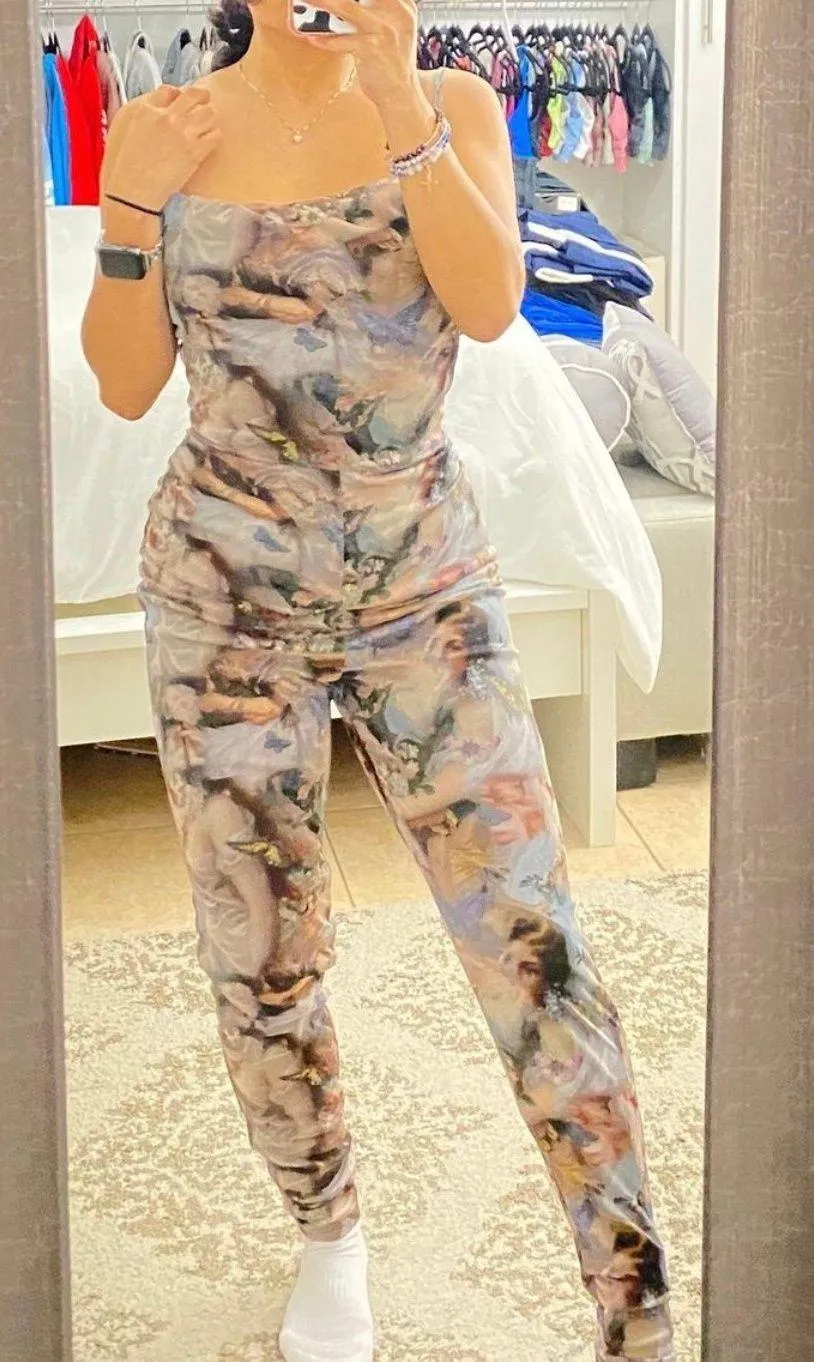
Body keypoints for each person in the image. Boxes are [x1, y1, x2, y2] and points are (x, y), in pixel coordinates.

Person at [81, 2, 675, 1359]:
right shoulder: (169, 125)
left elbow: (490, 303)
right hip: (222, 605)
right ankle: (328, 1231)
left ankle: (632, 1299)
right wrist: (131, 204)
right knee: (261, 953)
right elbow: (121, 385)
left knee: (533, 945)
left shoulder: (450, 105)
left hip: (427, 591)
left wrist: (402, 101)